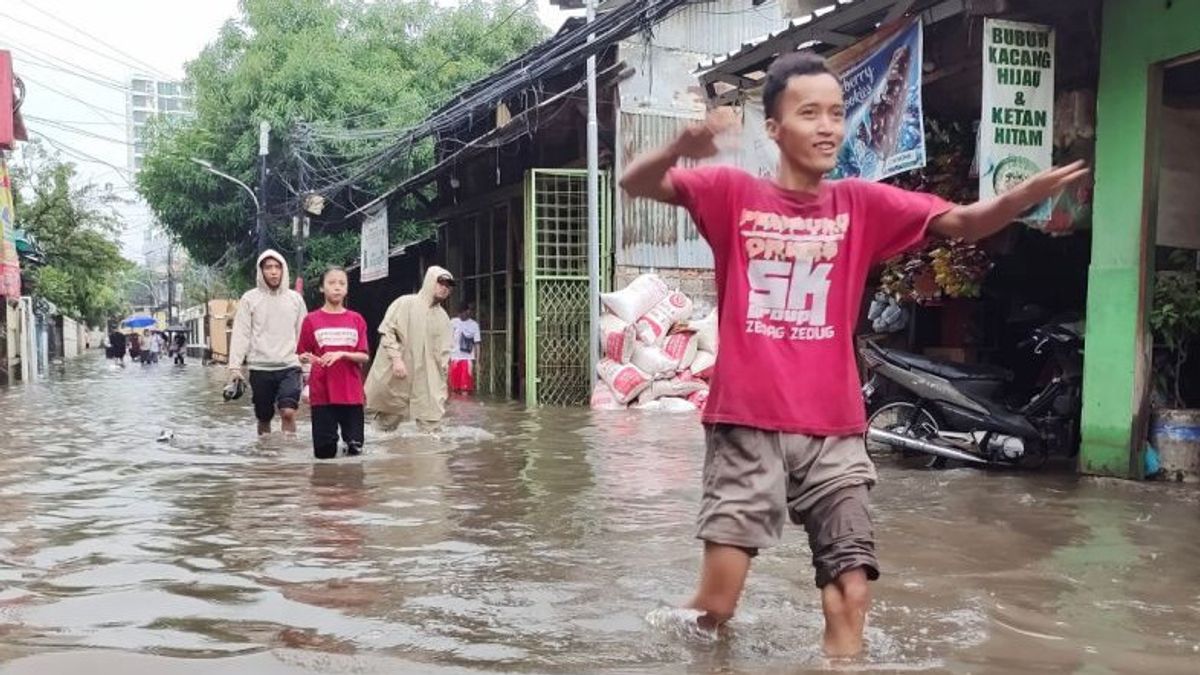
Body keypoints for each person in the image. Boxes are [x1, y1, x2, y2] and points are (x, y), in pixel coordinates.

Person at [619, 51, 1088, 657]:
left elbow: (966, 224)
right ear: (773, 129)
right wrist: (678, 148)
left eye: (837, 114)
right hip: (746, 424)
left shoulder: (861, 204)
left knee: (852, 591)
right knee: (717, 606)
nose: (827, 127)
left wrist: (1020, 197)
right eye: (809, 113)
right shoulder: (731, 194)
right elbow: (635, 181)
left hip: (835, 431)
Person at [228, 249, 308, 436]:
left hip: (289, 365)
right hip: (260, 367)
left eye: (277, 267)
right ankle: (265, 456)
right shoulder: (250, 299)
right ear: (261, 271)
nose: (273, 271)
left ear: (283, 270)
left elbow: (303, 333)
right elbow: (241, 333)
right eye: (268, 267)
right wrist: (234, 367)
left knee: (288, 412)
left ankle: (288, 454)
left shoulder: (295, 299)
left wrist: (307, 365)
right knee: (264, 417)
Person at [364, 266, 454, 432]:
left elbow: (444, 352)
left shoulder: (443, 318)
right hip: (400, 372)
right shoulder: (404, 303)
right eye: (441, 282)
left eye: (449, 285)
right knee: (388, 419)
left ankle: (431, 456)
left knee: (431, 421)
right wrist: (397, 360)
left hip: (428, 378)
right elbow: (387, 331)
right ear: (430, 281)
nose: (445, 287)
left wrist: (443, 379)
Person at [297, 267, 370, 459]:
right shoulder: (311, 320)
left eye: (342, 283)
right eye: (331, 283)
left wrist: (342, 354)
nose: (337, 287)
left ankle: (351, 488)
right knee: (324, 453)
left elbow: (364, 356)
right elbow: (303, 353)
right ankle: (326, 488)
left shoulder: (357, 319)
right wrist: (305, 359)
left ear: (346, 289)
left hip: (351, 394)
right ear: (322, 288)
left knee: (355, 449)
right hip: (322, 393)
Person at [448, 303, 481, 394]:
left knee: (465, 388)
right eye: (459, 314)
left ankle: (465, 406)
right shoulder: (453, 322)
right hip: (454, 358)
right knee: (454, 388)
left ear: (468, 311)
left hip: (467, 359)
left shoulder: (474, 325)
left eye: (462, 313)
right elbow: (447, 340)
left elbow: (477, 344)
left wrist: (478, 362)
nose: (460, 316)